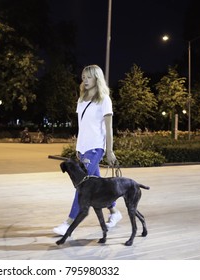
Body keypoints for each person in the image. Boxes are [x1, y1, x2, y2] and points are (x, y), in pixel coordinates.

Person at [53, 65, 122, 236]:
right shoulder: (81, 99)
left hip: (96, 147)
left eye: (89, 77)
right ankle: (115, 212)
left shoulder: (104, 99)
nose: (85, 79)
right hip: (83, 148)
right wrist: (78, 147)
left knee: (83, 187)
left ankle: (68, 223)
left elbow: (109, 128)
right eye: (83, 76)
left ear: (97, 78)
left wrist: (109, 150)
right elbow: (82, 127)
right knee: (96, 182)